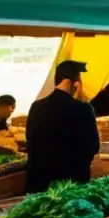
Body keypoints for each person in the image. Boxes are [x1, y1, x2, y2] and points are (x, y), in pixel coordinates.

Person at [26, 61, 99, 193]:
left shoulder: (36, 107)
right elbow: (93, 146)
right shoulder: (83, 109)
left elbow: (30, 142)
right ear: (69, 82)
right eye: (78, 80)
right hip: (71, 187)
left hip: (39, 185)